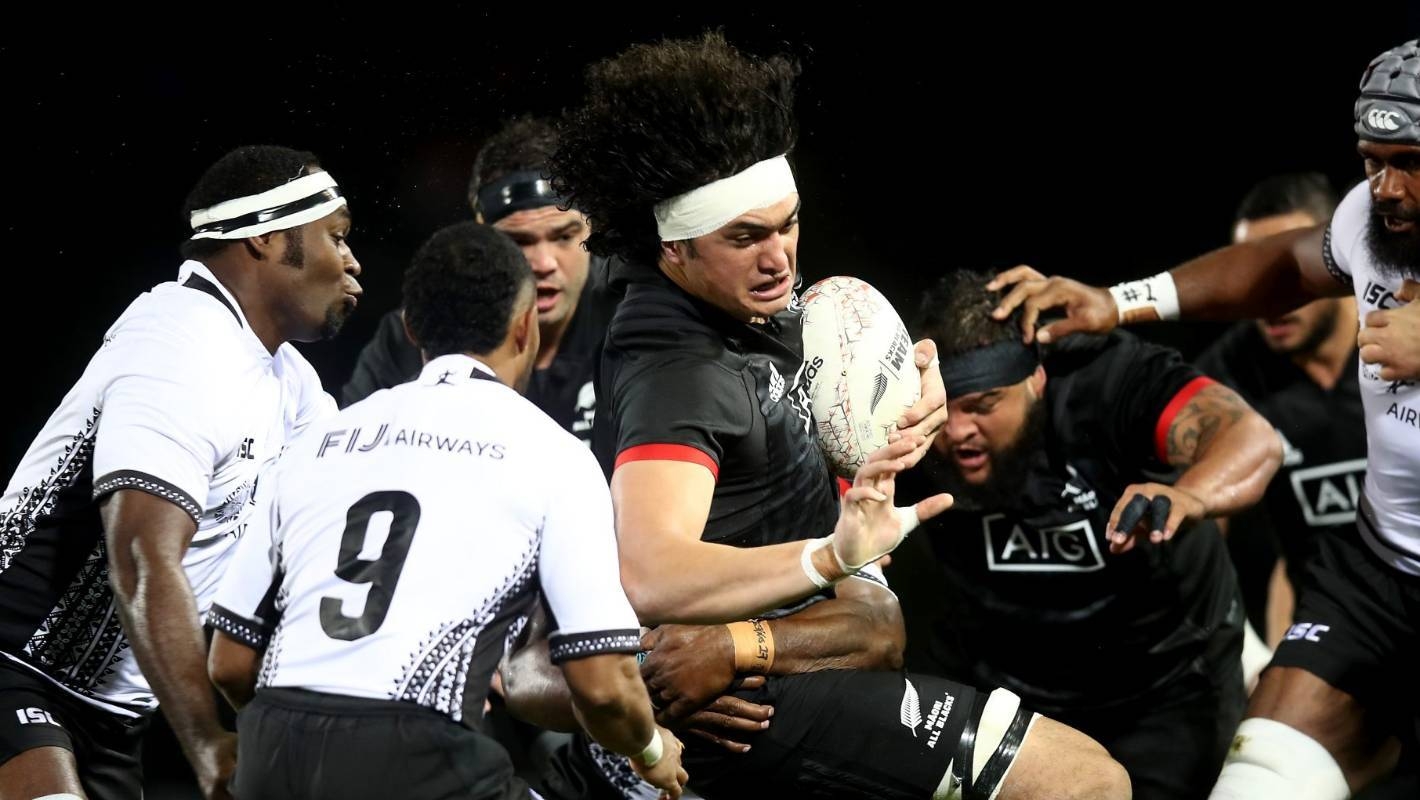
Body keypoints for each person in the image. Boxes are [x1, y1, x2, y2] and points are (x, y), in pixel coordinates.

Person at [537, 31, 1132, 799]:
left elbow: (814, 404)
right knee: (1086, 784)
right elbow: (649, 568)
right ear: (675, 251)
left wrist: (906, 397)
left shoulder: (746, 303)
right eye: (745, 237)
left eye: (787, 224)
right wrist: (828, 555)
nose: (778, 257)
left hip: (796, 659)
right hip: (753, 710)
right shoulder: (681, 374)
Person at [990, 38, 1420, 798]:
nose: (1385, 187)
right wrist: (1117, 299)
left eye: (1409, 160)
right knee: (1261, 780)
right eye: (1371, 159)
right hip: (1382, 573)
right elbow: (1282, 267)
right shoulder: (1372, 221)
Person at [205, 222, 687, 800]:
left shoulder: (316, 440)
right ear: (525, 326)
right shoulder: (553, 454)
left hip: (270, 752)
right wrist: (650, 750)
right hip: (420, 759)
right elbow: (604, 686)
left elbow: (229, 663)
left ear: (412, 330)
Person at [0, 145, 360, 800]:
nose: (353, 263)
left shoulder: (293, 385)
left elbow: (327, 542)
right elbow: (140, 556)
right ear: (268, 236)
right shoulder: (180, 342)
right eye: (336, 237)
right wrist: (204, 742)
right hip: (15, 668)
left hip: (114, 716)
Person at [893, 269, 1280, 799]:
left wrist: (1190, 496)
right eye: (947, 411)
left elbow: (1251, 439)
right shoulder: (904, 416)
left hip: (1166, 681)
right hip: (1013, 684)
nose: (959, 431)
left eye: (983, 406)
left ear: (1036, 381)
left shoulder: (1110, 377)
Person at [342, 117, 612, 445]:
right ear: (483, 237)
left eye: (564, 237)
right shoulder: (421, 334)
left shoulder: (632, 318)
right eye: (520, 241)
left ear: (591, 227)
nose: (544, 263)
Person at [1195, 174, 1356, 673]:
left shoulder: (1404, 337)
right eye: (1252, 270)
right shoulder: (1224, 380)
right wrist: (1245, 655)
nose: (1268, 294)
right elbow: (1195, 537)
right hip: (1326, 624)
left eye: (1288, 267)